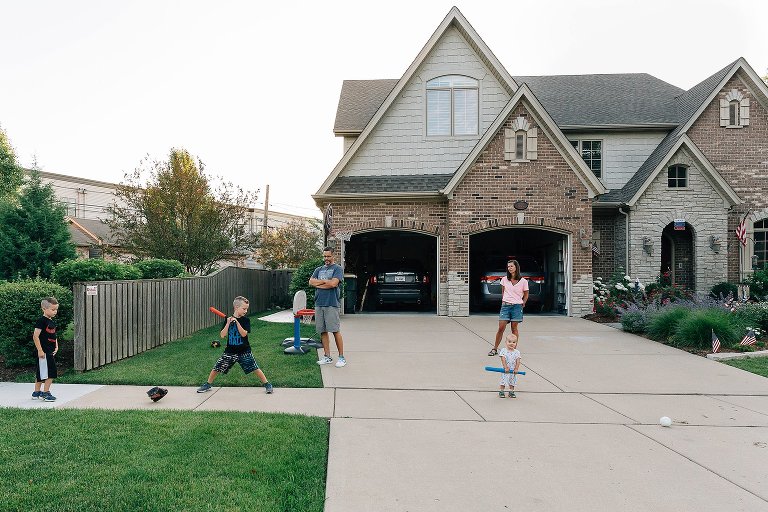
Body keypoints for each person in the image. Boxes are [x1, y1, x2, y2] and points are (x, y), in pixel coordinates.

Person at [197, 296, 273, 394]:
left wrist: (236, 322)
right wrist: (228, 323)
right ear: (236, 308)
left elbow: (244, 334)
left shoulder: (245, 320)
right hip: (230, 351)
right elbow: (222, 335)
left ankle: (267, 384)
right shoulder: (228, 320)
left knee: (254, 368)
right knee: (217, 367)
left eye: (247, 309)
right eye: (244, 308)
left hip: (244, 351)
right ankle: (208, 384)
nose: (246, 311)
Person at [309, 246, 346, 367]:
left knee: (335, 330)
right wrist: (326, 282)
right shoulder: (318, 269)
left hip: (331, 303)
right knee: (323, 331)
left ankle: (341, 358)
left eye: (328, 256)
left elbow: (334, 284)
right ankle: (327, 356)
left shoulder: (338, 269)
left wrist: (319, 283)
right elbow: (311, 282)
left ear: (333, 256)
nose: (326, 258)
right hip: (319, 303)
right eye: (324, 256)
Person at [488, 259, 529, 356]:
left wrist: (523, 302)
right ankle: (495, 349)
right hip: (506, 306)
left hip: (517, 307)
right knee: (501, 328)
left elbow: (526, 294)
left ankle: (513, 350)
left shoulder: (523, 281)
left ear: (516, 267)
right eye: (508, 266)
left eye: (511, 266)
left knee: (514, 328)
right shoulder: (504, 279)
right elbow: (503, 291)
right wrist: (504, 300)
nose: (509, 268)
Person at [32, 297, 60, 402]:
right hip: (44, 352)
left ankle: (36, 392)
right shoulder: (41, 321)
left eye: (56, 309)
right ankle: (46, 393)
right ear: (44, 308)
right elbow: (35, 336)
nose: (55, 312)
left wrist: (56, 346)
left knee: (42, 371)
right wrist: (40, 350)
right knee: (50, 372)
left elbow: (53, 335)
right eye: (52, 309)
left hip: (50, 351)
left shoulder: (51, 321)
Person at [498, 333, 522, 398]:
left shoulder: (517, 352)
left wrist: (516, 368)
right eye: (509, 342)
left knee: (513, 380)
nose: (511, 343)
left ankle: (511, 391)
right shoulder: (504, 350)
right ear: (506, 342)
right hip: (505, 369)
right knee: (503, 380)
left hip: (513, 370)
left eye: (514, 342)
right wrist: (505, 367)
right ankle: (501, 391)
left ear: (516, 343)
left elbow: (518, 361)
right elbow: (503, 359)